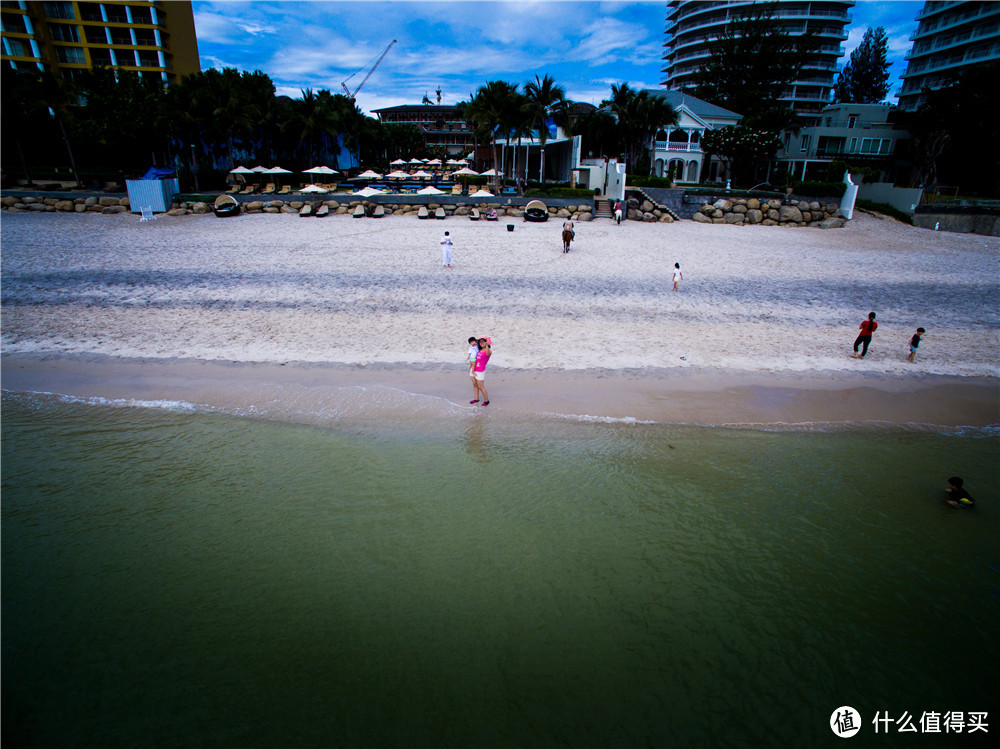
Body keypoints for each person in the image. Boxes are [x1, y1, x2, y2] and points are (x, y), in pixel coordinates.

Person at [470, 337, 492, 406]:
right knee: (474, 385)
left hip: (480, 371)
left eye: (483, 341)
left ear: (486, 342)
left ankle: (486, 401)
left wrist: (487, 345)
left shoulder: (488, 351)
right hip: (473, 369)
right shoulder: (478, 349)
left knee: (481, 386)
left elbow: (488, 354)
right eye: (480, 342)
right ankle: (476, 399)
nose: (481, 343)